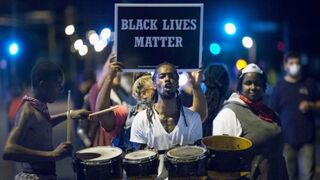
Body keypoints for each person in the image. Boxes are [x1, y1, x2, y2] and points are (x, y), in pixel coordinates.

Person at [92, 53, 207, 152]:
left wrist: (196, 87)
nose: (146, 94)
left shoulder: (180, 113)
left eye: (148, 88)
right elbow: (102, 114)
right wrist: (109, 78)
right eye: (140, 88)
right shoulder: (128, 113)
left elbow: (198, 115)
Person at [2, 61, 91, 180]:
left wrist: (69, 114)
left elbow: (43, 124)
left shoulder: (38, 106)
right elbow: (8, 150)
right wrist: (52, 154)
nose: (60, 89)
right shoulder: (27, 111)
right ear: (43, 85)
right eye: (57, 84)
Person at [212, 63, 287, 180]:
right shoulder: (229, 113)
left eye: (258, 84)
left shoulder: (270, 114)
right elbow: (223, 161)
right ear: (240, 86)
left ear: (264, 86)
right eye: (248, 83)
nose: (253, 87)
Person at [270, 52, 320, 180]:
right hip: (286, 141)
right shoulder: (279, 86)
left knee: (307, 175)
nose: (295, 66)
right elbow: (273, 112)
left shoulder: (309, 83)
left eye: (297, 63)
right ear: (285, 65)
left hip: (307, 140)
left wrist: (311, 105)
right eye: (291, 63)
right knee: (288, 176)